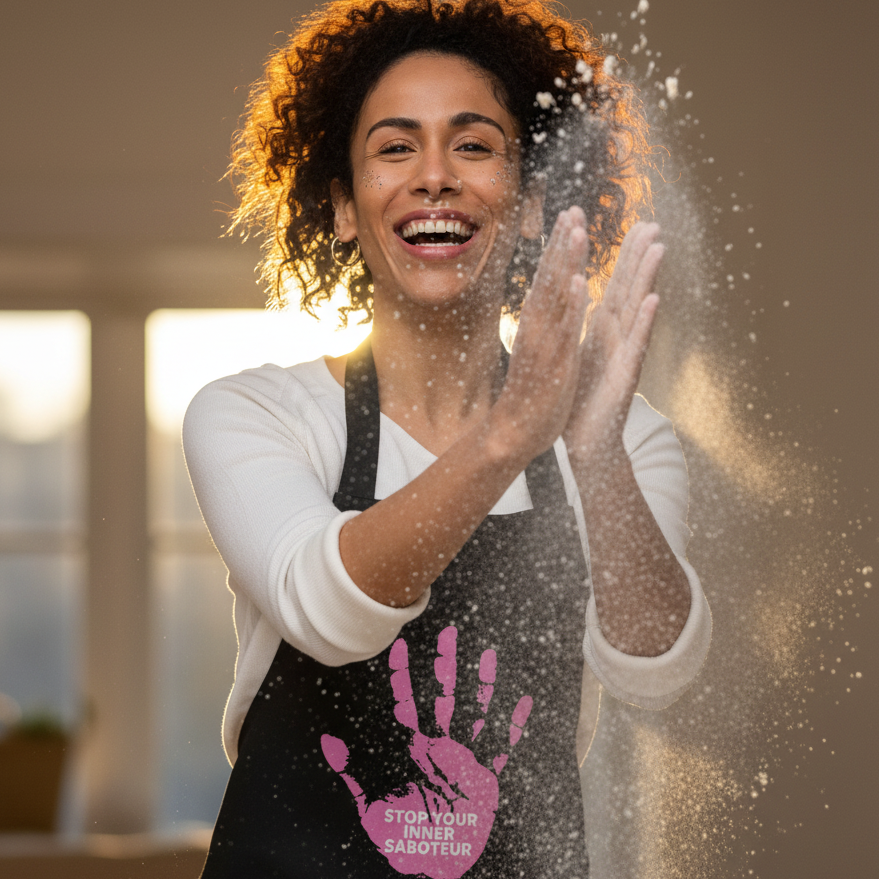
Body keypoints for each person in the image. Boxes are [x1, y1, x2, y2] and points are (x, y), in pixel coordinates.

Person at [183, 0, 712, 876]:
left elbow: (657, 671)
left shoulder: (615, 432)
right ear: (345, 208)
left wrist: (592, 455)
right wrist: (507, 437)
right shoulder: (261, 414)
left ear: (535, 203)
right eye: (394, 147)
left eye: (473, 146)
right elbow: (325, 606)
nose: (434, 175)